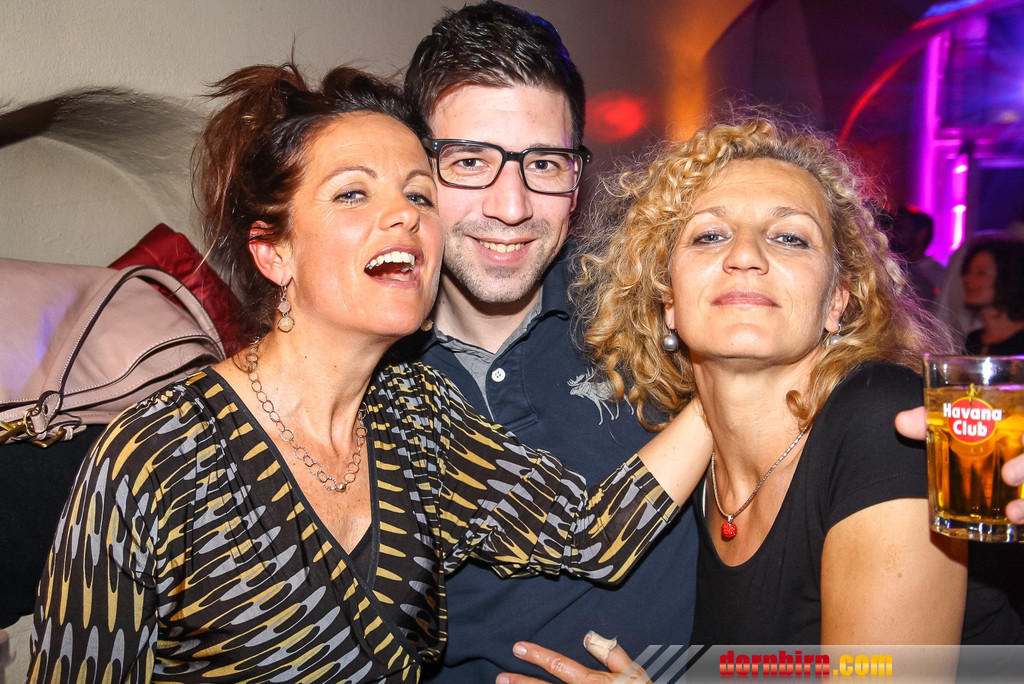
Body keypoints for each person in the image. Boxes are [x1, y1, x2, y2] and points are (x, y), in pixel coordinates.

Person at [26, 63, 713, 683]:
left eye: (419, 196)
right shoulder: (154, 457)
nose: (403, 216)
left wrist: (726, 380)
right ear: (273, 252)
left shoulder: (416, 414)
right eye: (353, 194)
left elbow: (589, 534)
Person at [498, 116, 1024, 683]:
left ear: (836, 301)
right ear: (668, 301)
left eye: (790, 237)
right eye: (710, 235)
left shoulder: (886, 420)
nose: (745, 255)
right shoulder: (687, 474)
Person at [399, 2, 699, 681]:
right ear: (416, 171)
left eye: (543, 163)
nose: (511, 207)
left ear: (576, 176)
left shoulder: (646, 303)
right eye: (469, 161)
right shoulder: (368, 366)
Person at [960, 238, 1024, 355]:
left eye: (980, 273)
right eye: (967, 271)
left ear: (1008, 279)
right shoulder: (973, 340)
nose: (967, 279)